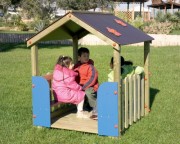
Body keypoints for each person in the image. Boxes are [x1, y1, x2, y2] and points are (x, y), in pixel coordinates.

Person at [74, 47, 98, 120]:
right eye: (84, 56)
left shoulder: (90, 66)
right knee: (75, 92)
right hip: (80, 86)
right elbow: (74, 76)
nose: (86, 57)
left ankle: (96, 111)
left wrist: (83, 87)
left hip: (91, 86)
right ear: (79, 57)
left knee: (88, 92)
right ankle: (79, 111)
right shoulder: (76, 66)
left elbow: (92, 79)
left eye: (87, 56)